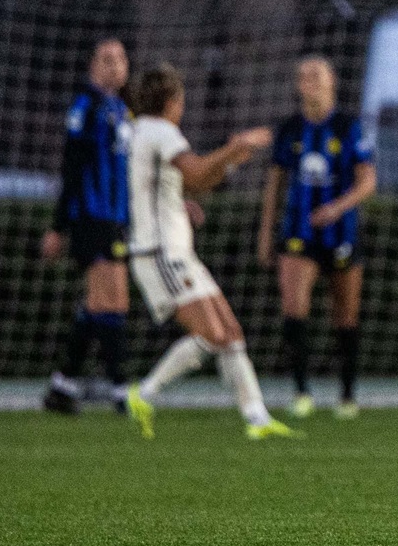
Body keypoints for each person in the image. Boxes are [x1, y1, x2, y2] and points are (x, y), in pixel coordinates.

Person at [119, 64, 291, 440]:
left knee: (230, 332)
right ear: (173, 101)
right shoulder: (160, 131)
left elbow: (194, 182)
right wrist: (231, 148)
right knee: (213, 334)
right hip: (160, 252)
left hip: (177, 249)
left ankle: (257, 418)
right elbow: (196, 173)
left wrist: (227, 164)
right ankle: (144, 392)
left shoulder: (145, 132)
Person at [257, 56, 377, 420]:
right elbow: (274, 186)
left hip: (341, 231)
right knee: (294, 307)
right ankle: (301, 391)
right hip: (298, 232)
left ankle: (347, 394)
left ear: (332, 82)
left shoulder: (349, 126)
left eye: (316, 75)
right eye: (303, 76)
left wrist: (338, 208)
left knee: (345, 315)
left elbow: (368, 182)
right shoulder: (290, 129)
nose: (309, 81)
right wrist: (265, 233)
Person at [41, 38, 134, 416]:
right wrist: (58, 226)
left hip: (114, 219)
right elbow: (72, 166)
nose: (114, 65)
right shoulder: (86, 106)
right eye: (106, 59)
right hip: (90, 218)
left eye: (120, 58)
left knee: (101, 304)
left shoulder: (122, 109)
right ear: (93, 66)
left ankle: (62, 386)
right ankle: (121, 391)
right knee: (111, 300)